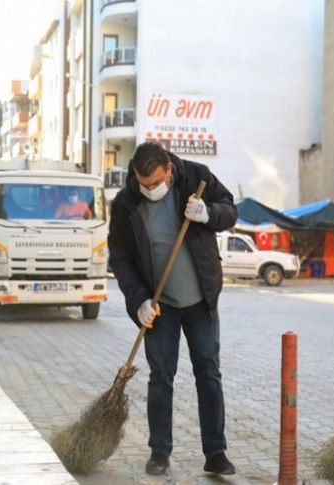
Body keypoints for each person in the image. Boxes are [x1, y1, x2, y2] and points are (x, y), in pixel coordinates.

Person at [108, 142, 237, 477]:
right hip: (160, 305)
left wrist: (208, 214)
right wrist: (138, 301)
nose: (149, 190)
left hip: (201, 300)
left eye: (155, 182)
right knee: (161, 377)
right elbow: (120, 258)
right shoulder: (125, 204)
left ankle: (216, 453)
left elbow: (230, 210)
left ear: (168, 169)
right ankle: (160, 452)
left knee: (208, 372)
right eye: (142, 183)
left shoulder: (196, 177)